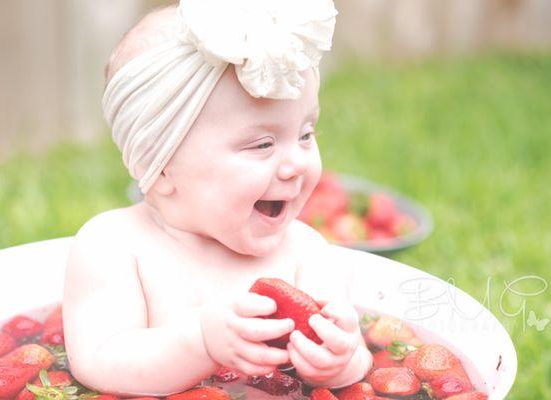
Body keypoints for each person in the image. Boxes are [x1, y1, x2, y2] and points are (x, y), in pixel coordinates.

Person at [62, 0, 373, 397]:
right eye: (262, 144)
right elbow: (98, 360)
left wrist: (340, 363)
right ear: (161, 166)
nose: (296, 163)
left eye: (306, 134)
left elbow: (358, 358)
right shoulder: (114, 246)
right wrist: (199, 342)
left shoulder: (305, 252)